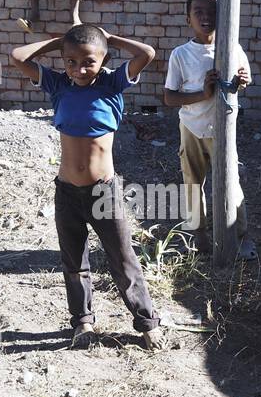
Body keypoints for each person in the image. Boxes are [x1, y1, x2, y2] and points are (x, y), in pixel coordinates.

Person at [9, 24, 165, 350]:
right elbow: (17, 56)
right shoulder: (58, 85)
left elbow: (146, 54)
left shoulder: (111, 84)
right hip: (67, 192)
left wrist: (108, 38)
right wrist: (59, 42)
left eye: (88, 62)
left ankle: (147, 322)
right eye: (70, 62)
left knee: (123, 260)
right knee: (74, 262)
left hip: (104, 192)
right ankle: (83, 323)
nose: (79, 69)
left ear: (104, 59)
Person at [161, 0, 255, 260]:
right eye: (198, 12)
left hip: (223, 128)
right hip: (191, 127)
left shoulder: (232, 47)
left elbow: (241, 82)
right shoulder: (181, 54)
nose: (206, 17)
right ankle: (199, 237)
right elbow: (169, 97)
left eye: (212, 12)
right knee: (192, 182)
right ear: (187, 18)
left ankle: (239, 236)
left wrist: (241, 83)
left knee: (230, 181)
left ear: (223, 16)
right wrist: (202, 94)